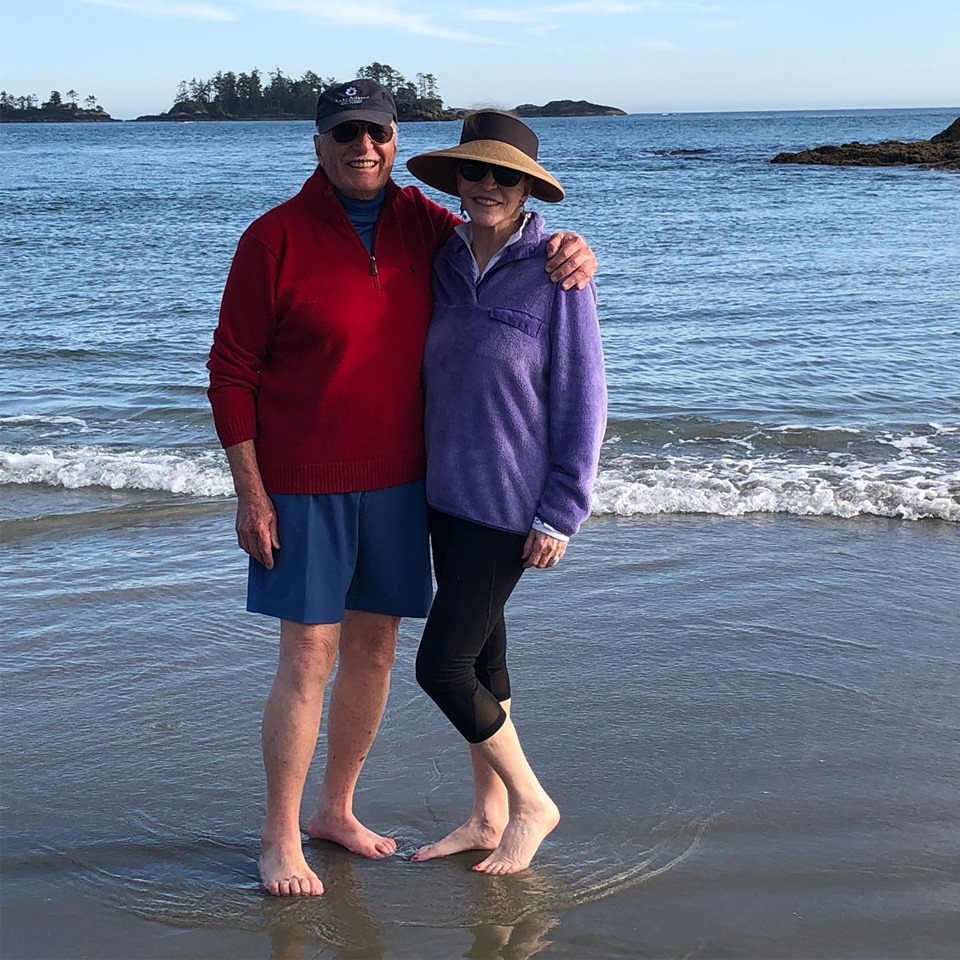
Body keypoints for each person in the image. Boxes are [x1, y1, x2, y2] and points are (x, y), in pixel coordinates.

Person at [207, 81, 598, 897]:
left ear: (395, 141)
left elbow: (516, 253)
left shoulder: (430, 227)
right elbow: (231, 374)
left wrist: (576, 251)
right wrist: (251, 492)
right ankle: (281, 837)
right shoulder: (272, 238)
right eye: (346, 131)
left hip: (405, 487)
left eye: (377, 133)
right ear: (319, 141)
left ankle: (336, 813)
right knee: (311, 656)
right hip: (304, 484)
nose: (364, 147)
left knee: (379, 653)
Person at [406, 111, 607, 874]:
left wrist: (562, 509)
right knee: (485, 660)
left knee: (442, 666)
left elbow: (585, 398)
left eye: (505, 175)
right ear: (457, 181)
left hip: (508, 506)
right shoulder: (442, 259)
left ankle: (530, 802)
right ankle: (488, 818)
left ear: (529, 189)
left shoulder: (557, 271)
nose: (488, 185)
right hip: (442, 497)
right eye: (475, 172)